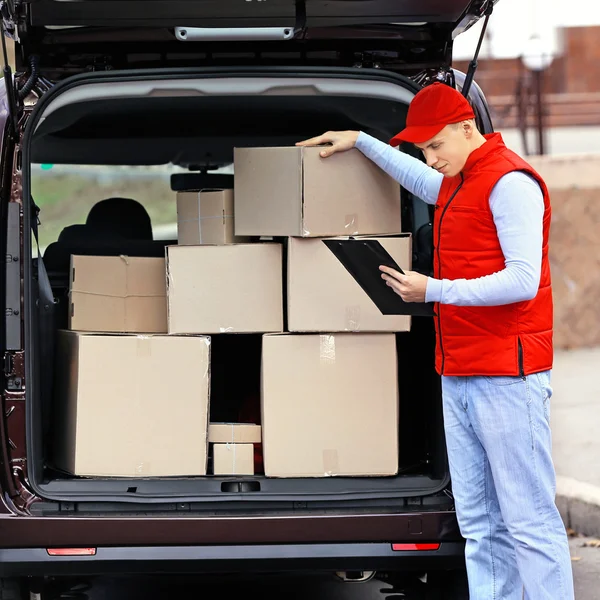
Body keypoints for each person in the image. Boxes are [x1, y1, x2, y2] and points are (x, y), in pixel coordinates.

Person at [296, 82, 574, 600]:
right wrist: (360, 139)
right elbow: (419, 179)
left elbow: (522, 278)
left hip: (508, 376)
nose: (430, 157)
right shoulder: (458, 179)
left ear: (468, 129)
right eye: (423, 147)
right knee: (479, 522)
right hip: (459, 371)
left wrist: (433, 289)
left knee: (528, 518)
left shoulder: (510, 183)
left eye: (436, 145)